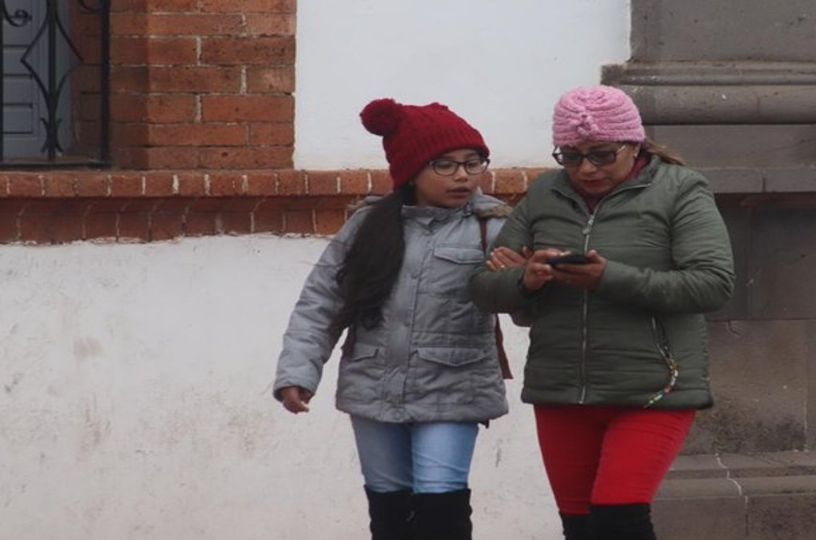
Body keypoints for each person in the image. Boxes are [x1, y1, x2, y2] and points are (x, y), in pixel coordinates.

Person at [470, 85, 734, 540]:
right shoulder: (545, 195)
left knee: (618, 518)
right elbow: (483, 287)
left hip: (654, 388)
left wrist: (608, 278)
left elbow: (712, 283)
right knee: (580, 527)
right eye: (570, 156)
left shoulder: (680, 190)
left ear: (634, 145)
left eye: (601, 154)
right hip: (562, 388)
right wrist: (526, 279)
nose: (586, 169)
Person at [273, 97, 511, 540]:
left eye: (472, 162)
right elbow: (321, 301)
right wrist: (298, 372)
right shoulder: (369, 226)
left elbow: (520, 299)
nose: (462, 175)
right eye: (444, 164)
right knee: (389, 510)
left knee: (442, 506)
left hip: (454, 387)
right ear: (411, 169)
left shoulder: (494, 226)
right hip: (373, 384)